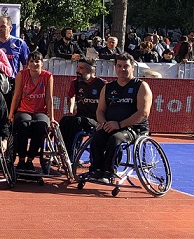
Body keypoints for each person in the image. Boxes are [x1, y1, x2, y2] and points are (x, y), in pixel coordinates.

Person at [87, 53, 152, 184]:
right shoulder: (108, 87)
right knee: (97, 137)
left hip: (133, 128)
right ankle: (96, 169)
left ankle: (109, 171)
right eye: (119, 66)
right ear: (115, 67)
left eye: (126, 66)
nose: (122, 69)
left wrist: (120, 124)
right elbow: (100, 110)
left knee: (115, 139)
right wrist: (104, 122)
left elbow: (143, 113)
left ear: (132, 67)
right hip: (111, 125)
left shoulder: (141, 86)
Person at [8, 51, 54, 172]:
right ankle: (21, 159)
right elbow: (16, 96)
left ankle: (30, 160)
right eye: (32, 61)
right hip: (24, 109)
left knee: (41, 126)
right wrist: (11, 113)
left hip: (40, 111)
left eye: (37, 61)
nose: (34, 64)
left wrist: (52, 118)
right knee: (23, 124)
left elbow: (49, 99)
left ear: (42, 63)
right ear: (28, 63)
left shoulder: (47, 76)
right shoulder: (21, 75)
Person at [58, 57, 105, 154]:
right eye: (77, 67)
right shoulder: (75, 83)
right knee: (65, 120)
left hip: (96, 120)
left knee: (77, 121)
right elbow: (71, 96)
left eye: (81, 68)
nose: (77, 71)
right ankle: (61, 151)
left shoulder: (102, 84)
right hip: (80, 116)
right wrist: (70, 111)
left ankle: (72, 153)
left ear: (91, 70)